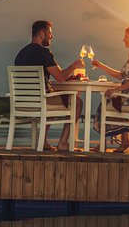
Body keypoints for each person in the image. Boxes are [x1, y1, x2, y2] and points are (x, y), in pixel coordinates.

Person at [14, 20, 84, 151]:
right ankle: (63, 143)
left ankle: (43, 141)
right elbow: (61, 77)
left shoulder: (20, 54)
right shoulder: (44, 53)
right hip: (41, 100)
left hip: (22, 101)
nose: (52, 36)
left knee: (52, 95)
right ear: (42, 33)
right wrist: (74, 66)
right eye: (50, 33)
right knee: (78, 103)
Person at [90, 24, 129, 153]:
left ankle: (103, 144)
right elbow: (121, 75)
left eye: (126, 37)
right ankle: (124, 141)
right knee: (114, 101)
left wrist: (116, 90)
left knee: (106, 102)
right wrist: (101, 66)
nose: (124, 40)